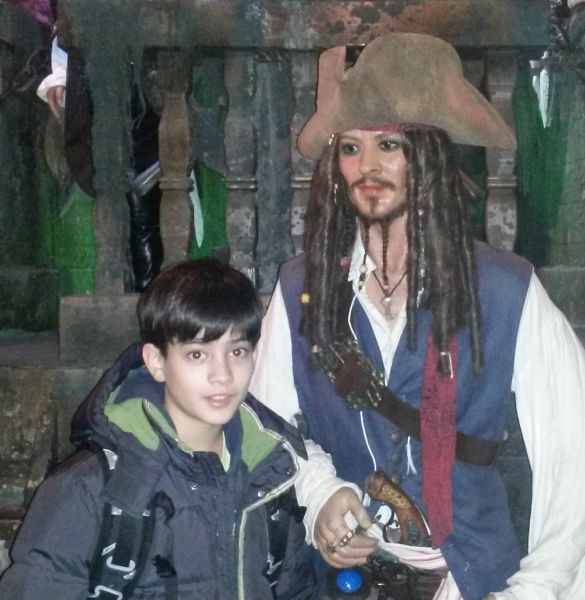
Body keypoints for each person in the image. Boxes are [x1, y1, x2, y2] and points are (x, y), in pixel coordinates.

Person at [250, 33, 585, 599]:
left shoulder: (505, 291)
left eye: (388, 145)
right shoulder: (300, 288)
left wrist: (534, 590)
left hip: (474, 582)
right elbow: (263, 427)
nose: (366, 166)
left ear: (427, 157)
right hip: (345, 585)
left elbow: (575, 458)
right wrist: (320, 492)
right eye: (350, 148)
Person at [0, 258, 314, 598]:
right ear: (156, 361)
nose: (222, 375)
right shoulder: (89, 488)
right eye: (197, 355)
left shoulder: (270, 472)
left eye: (237, 351)